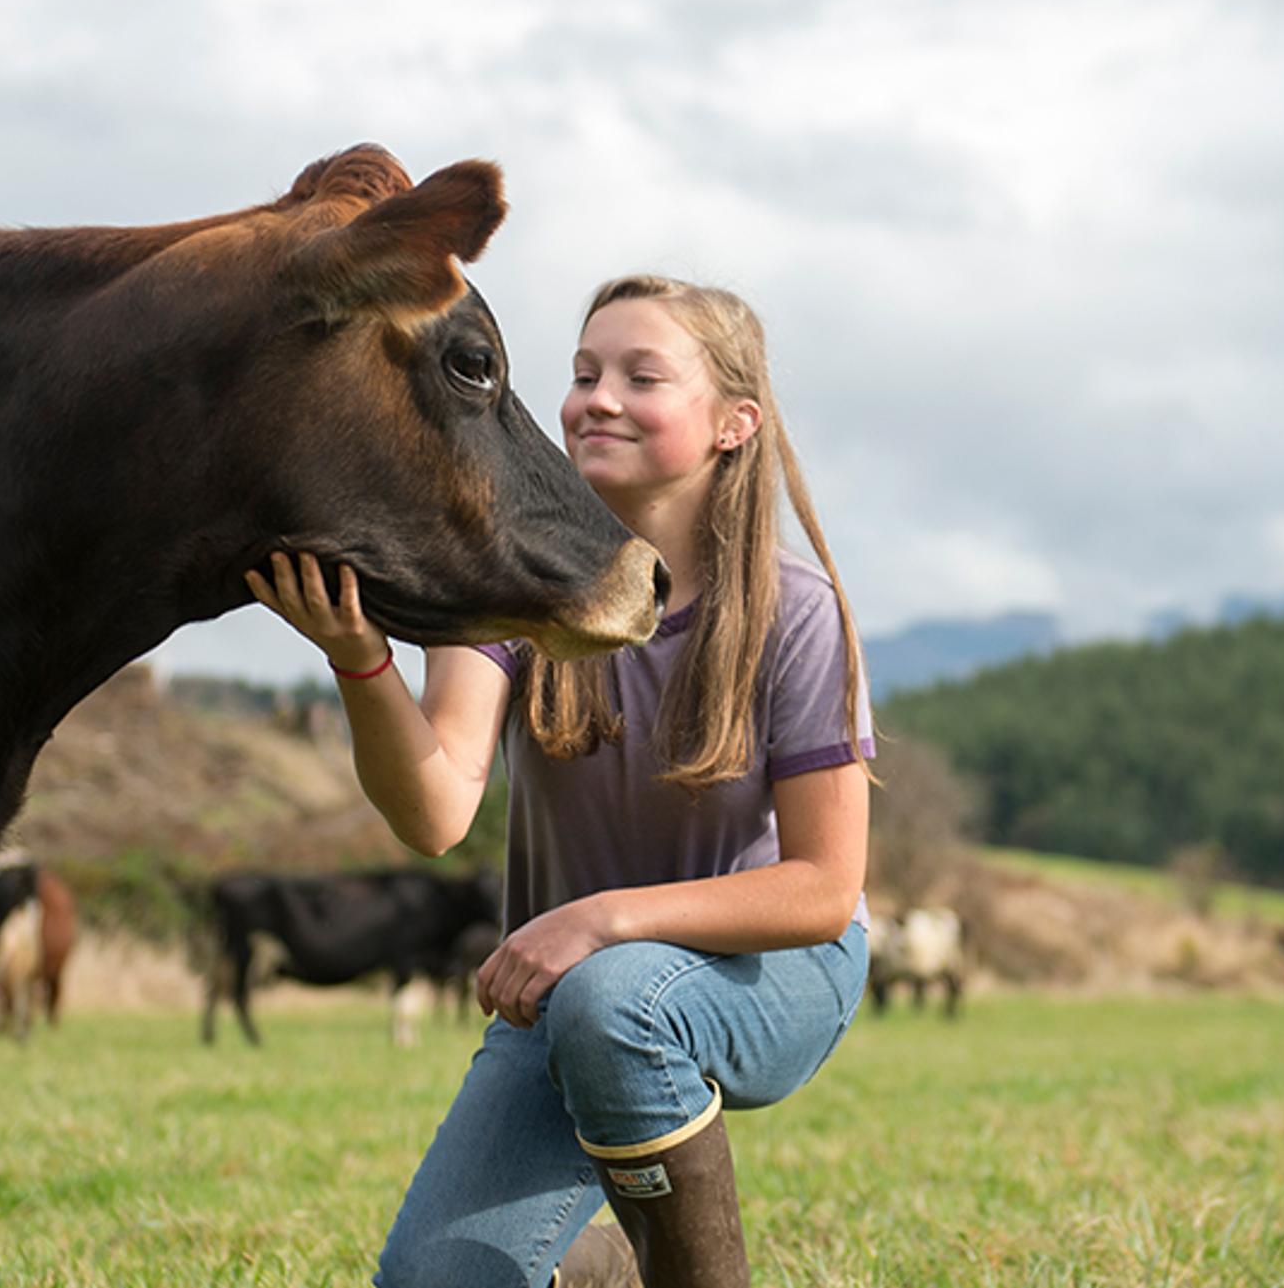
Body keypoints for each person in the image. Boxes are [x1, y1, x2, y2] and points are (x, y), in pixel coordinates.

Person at [250, 273, 875, 1288]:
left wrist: (598, 919)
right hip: (569, 987)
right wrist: (360, 660)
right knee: (430, 1282)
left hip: (773, 969)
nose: (598, 397)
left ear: (732, 422)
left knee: (616, 996)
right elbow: (435, 808)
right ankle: (619, 1270)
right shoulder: (508, 594)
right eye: (584, 373)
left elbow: (821, 889)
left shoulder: (794, 612)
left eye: (642, 375)